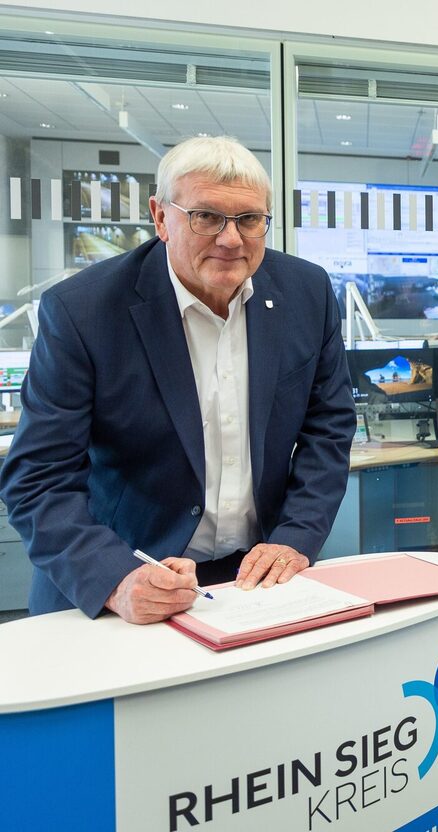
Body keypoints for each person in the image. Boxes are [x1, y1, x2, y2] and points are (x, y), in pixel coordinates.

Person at [0, 136, 356, 622]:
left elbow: (329, 428)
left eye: (249, 219)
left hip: (257, 580)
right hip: (130, 580)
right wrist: (114, 579)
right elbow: (38, 479)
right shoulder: (83, 312)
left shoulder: (306, 293)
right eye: (205, 216)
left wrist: (296, 537)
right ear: (161, 217)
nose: (231, 239)